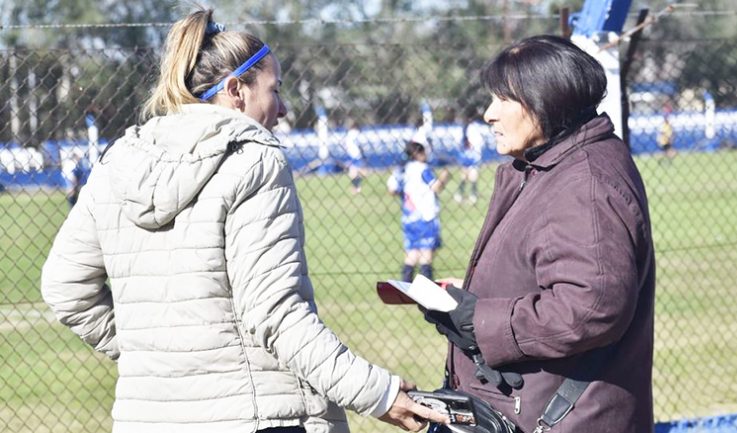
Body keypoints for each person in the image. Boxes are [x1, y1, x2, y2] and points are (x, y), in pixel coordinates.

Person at [40, 8, 448, 433]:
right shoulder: (255, 158)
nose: (284, 108)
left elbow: (64, 287)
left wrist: (156, 359)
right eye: (275, 90)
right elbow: (275, 312)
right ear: (236, 90)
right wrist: (378, 393)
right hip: (257, 416)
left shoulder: (116, 162)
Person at [421, 35, 655, 433]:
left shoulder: (586, 184)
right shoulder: (548, 167)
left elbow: (590, 308)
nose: (488, 114)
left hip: (570, 419)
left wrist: (481, 320)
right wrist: (469, 302)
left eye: (502, 100)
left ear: (545, 101)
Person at [387, 140, 450, 282]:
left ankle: (406, 283)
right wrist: (444, 177)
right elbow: (436, 187)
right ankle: (426, 284)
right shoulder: (423, 169)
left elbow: (392, 189)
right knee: (426, 252)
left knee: (412, 251)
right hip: (426, 216)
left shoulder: (401, 170)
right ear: (419, 153)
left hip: (409, 217)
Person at [453, 114, 485, 204]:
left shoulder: (471, 127)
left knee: (471, 175)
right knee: (466, 175)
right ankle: (462, 194)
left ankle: (471, 195)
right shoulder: (466, 128)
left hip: (472, 155)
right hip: (469, 154)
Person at [343, 120, 367, 194]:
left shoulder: (348, 134)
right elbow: (362, 143)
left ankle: (356, 187)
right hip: (357, 154)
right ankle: (356, 187)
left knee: (354, 172)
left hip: (351, 154)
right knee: (359, 171)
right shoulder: (357, 133)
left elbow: (345, 145)